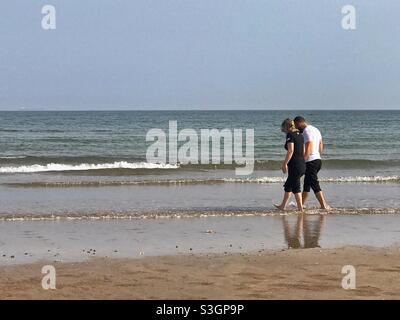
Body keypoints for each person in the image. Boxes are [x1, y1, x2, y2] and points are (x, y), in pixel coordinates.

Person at [294, 116, 329, 210]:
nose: (297, 128)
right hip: (317, 160)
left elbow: (309, 144)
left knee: (314, 184)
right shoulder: (315, 129)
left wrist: (303, 160)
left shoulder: (306, 131)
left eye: (297, 126)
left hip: (311, 161)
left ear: (299, 123)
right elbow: (321, 143)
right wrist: (318, 155)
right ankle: (301, 205)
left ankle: (323, 205)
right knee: (307, 184)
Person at [274, 119, 306, 212]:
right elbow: (302, 150)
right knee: (288, 186)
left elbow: (290, 151)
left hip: (295, 165)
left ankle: (300, 209)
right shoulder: (300, 135)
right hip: (301, 164)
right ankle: (283, 206)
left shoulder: (290, 135)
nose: (283, 129)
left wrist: (285, 164)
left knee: (296, 187)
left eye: (283, 127)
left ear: (287, 127)